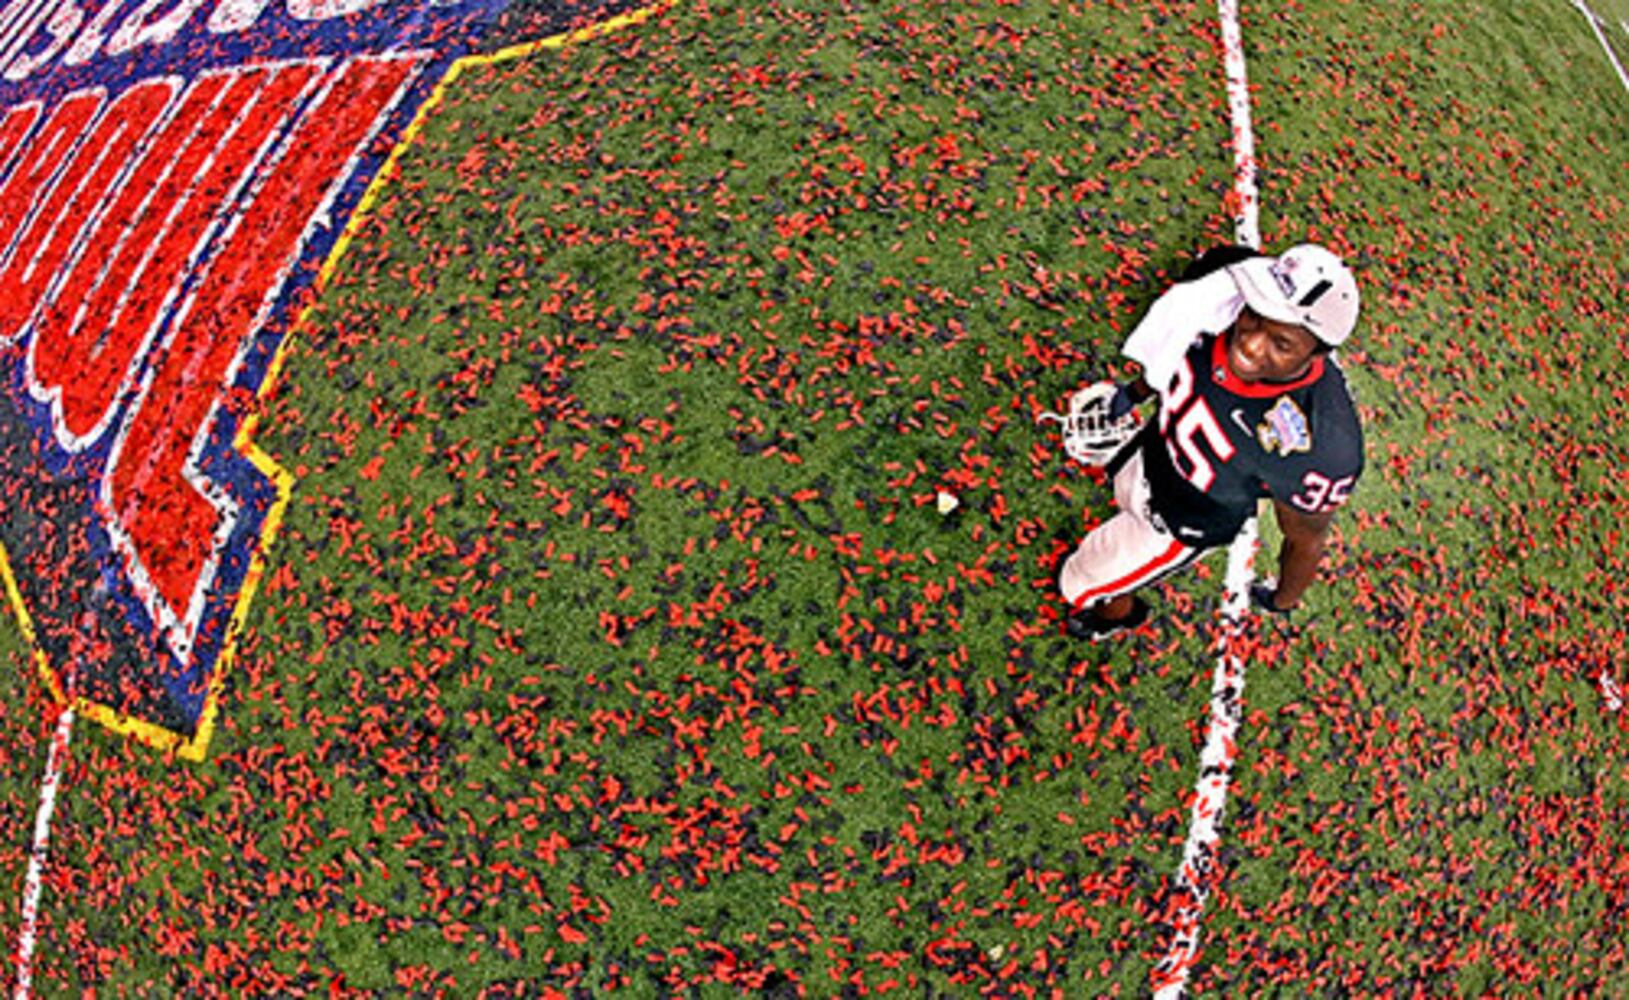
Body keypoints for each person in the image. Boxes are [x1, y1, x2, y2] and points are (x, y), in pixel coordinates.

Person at [1057, 243, 1365, 640]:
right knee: (1119, 490)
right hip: (1153, 449)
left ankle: (1117, 615)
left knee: (1080, 581)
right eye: (1255, 315)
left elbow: (1305, 537)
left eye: (1282, 343)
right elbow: (1175, 343)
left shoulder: (1324, 445)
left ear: (1318, 351)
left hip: (1176, 524)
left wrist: (1283, 599)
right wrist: (1134, 394)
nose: (1251, 344)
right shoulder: (1224, 293)